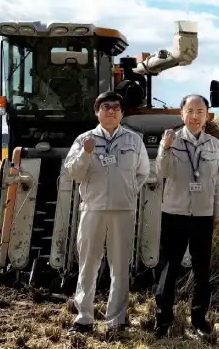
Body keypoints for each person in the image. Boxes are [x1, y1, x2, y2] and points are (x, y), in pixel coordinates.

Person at [62, 91, 150, 336]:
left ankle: (117, 319)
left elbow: (143, 172)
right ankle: (84, 318)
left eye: (116, 107)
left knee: (120, 266)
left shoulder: (134, 140)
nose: (111, 111)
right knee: (88, 265)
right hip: (93, 209)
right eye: (106, 107)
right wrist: (86, 153)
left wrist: (130, 190)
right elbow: (72, 173)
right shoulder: (84, 139)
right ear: (97, 112)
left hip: (123, 210)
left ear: (121, 113)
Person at [153, 94, 219, 339]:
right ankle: (163, 320)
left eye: (200, 111)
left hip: (203, 215)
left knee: (201, 270)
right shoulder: (172, 140)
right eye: (190, 111)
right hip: (175, 212)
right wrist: (164, 148)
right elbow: (161, 171)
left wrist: (218, 211)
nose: (195, 116)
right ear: (181, 114)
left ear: (207, 115)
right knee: (169, 269)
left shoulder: (214, 145)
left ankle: (199, 320)